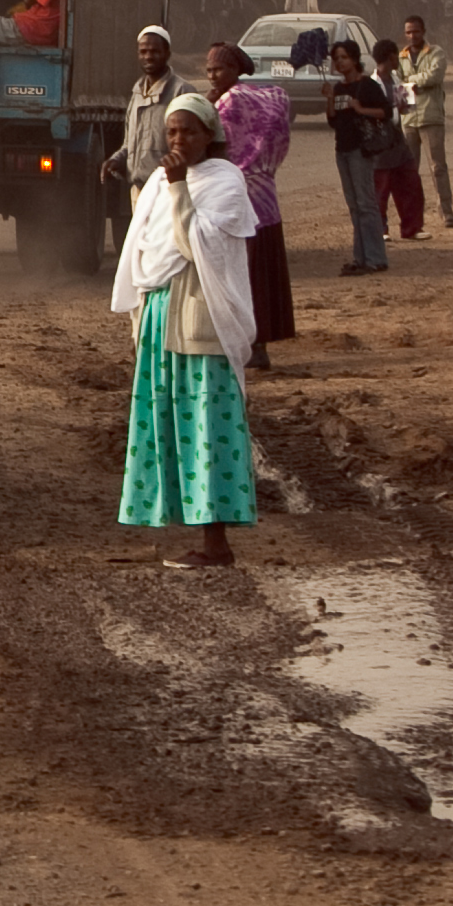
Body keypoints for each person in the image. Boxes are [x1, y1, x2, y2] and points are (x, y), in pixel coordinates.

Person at [111, 91, 258, 568]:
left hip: (200, 321)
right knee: (167, 424)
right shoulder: (156, 181)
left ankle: (216, 544)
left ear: (208, 135)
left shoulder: (226, 181)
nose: (178, 140)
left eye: (188, 131)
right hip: (159, 316)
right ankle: (179, 524)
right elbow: (144, 248)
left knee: (206, 426)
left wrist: (179, 189)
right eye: (172, 131)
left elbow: (199, 247)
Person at [204, 41, 297, 373]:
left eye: (219, 69)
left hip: (241, 199)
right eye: (210, 69)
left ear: (234, 70)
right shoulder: (262, 96)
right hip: (266, 198)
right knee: (261, 273)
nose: (213, 75)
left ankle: (249, 345)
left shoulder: (231, 102)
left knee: (242, 274)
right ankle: (258, 344)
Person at [324, 39, 396, 274]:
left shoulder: (366, 86)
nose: (340, 62)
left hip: (360, 150)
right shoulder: (338, 88)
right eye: (336, 58)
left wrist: (361, 109)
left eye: (344, 57)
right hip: (342, 149)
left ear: (354, 59)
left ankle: (375, 257)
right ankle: (361, 257)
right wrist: (330, 99)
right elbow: (334, 121)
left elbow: (385, 112)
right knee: (355, 205)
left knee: (366, 204)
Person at [102, 25, 182, 229]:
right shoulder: (137, 92)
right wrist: (114, 160)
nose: (149, 56)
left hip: (167, 192)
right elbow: (129, 144)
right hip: (138, 192)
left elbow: (186, 148)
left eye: (155, 51)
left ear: (167, 53)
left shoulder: (180, 92)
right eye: (143, 51)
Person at [370, 37, 427, 241]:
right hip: (380, 139)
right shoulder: (372, 84)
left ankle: (412, 228)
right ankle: (381, 230)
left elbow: (403, 109)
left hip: (396, 137)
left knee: (410, 182)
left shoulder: (394, 79)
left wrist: (408, 98)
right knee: (381, 188)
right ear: (391, 56)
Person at [399, 13, 452, 231]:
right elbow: (396, 82)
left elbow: (435, 76)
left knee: (437, 168)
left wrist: (409, 82)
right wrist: (416, 83)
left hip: (431, 117)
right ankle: (413, 215)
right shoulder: (401, 56)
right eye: (409, 32)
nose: (412, 36)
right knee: (410, 171)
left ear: (424, 32)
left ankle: (447, 213)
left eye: (416, 31)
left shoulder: (436, 52)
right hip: (409, 118)